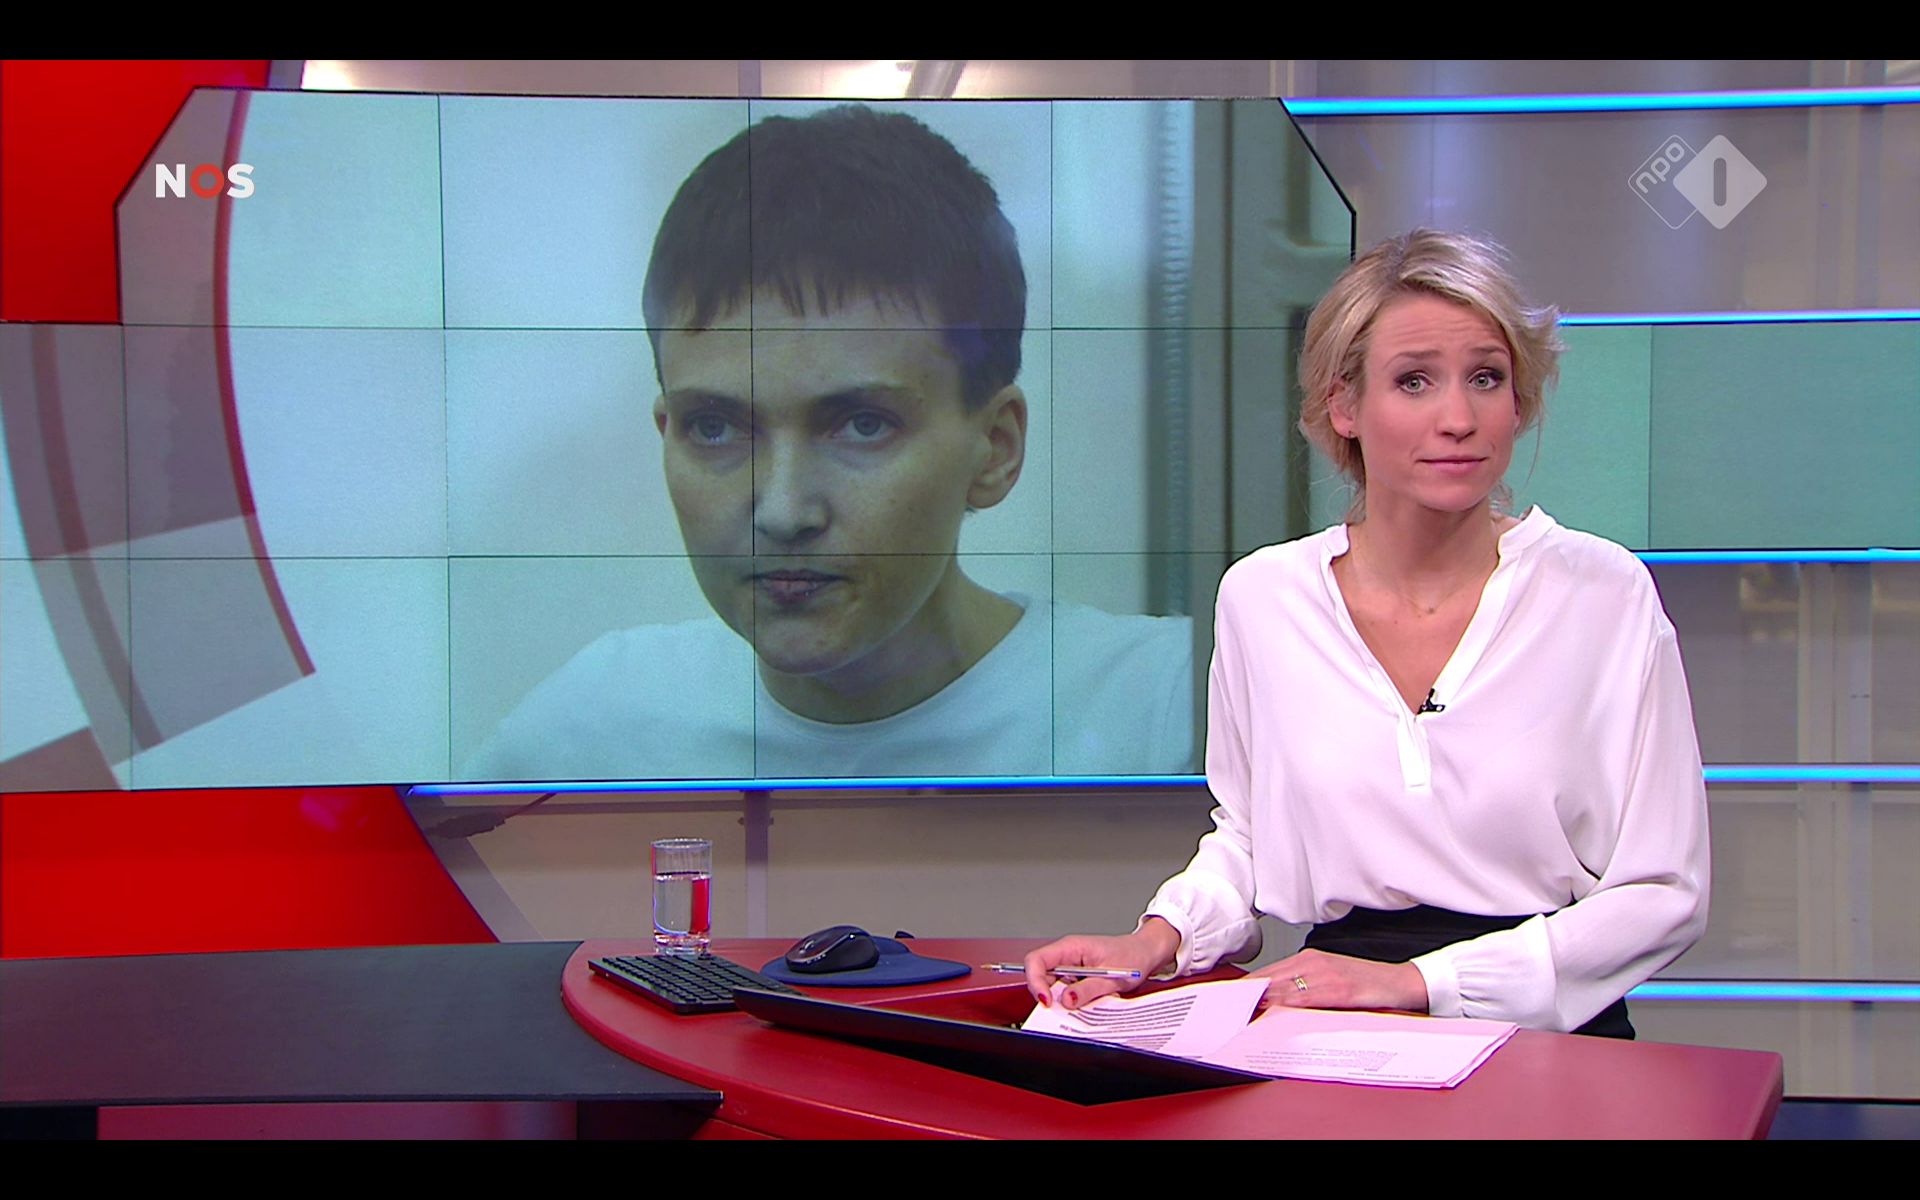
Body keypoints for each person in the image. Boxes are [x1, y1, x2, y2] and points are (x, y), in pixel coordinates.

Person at [1024, 229, 1710, 1038]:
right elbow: (1249, 835)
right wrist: (1155, 941)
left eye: (1486, 378)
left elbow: (1662, 891)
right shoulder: (1264, 598)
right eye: (1415, 381)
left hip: (1544, 1030)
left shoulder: (1603, 593)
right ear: (1342, 406)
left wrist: (1420, 984)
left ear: (1519, 402)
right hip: (1331, 1017)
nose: (1459, 418)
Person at [464, 104, 1193, 782]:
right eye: (714, 427)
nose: (784, 513)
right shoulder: (596, 731)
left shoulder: (1171, 709)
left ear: (995, 448)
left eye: (863, 425)